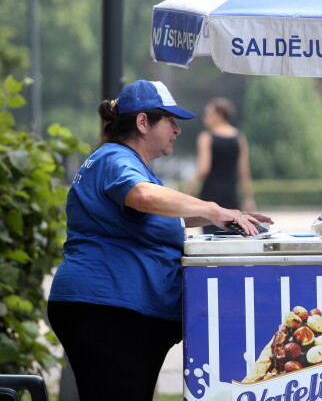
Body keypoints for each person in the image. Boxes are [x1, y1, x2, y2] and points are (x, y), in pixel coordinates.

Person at [47, 79, 272, 401]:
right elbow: (144, 197)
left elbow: (157, 215)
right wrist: (210, 207)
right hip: (108, 310)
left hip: (116, 310)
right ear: (142, 122)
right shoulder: (116, 158)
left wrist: (224, 215)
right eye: (170, 120)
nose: (177, 130)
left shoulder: (130, 165)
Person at [187, 97, 256, 234]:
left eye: (208, 114)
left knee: (212, 232)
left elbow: (204, 168)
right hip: (231, 192)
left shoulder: (206, 137)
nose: (204, 117)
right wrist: (249, 198)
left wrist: (190, 189)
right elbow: (244, 170)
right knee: (232, 231)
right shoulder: (238, 137)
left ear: (219, 115)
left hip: (211, 193)